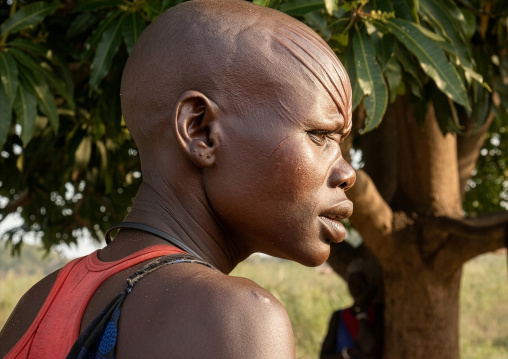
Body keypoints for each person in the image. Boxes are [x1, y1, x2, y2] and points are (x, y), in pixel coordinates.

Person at [0, 0, 356, 358]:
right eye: (320, 135)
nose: (347, 173)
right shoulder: (237, 321)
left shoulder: (37, 305)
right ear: (200, 131)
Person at [320, 259, 383, 359]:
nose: (356, 288)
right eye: (352, 283)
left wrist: (362, 312)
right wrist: (348, 353)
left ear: (369, 284)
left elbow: (368, 347)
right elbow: (324, 356)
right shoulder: (338, 316)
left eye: (361, 283)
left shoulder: (378, 311)